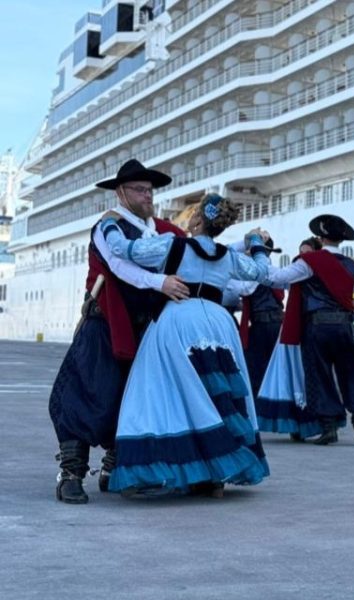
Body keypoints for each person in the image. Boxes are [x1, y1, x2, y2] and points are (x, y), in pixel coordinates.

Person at [100, 193, 274, 497]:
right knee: (217, 394)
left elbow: (124, 250)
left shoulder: (172, 244)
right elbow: (261, 272)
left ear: (195, 219)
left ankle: (181, 465)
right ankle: (216, 473)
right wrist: (257, 244)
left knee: (169, 394)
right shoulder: (229, 256)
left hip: (180, 319)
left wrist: (110, 224)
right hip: (219, 324)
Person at [46, 159, 190, 504]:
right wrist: (162, 282)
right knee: (86, 396)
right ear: (121, 193)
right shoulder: (108, 226)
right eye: (140, 190)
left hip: (147, 330)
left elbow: (195, 257)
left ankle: (115, 469)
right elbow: (120, 267)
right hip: (105, 323)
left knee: (135, 400)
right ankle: (71, 474)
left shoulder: (166, 231)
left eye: (150, 190)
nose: (147, 196)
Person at [265, 214, 354, 445]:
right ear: (342, 240)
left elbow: (277, 278)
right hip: (345, 325)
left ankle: (329, 429)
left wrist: (259, 254)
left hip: (317, 326)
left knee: (320, 375)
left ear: (320, 237)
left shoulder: (309, 262)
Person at [255, 238, 336, 442]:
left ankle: (315, 422)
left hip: (305, 328)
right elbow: (275, 280)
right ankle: (302, 421)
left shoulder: (307, 268)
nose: (302, 257)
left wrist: (259, 255)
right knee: (293, 375)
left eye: (306, 252)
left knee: (306, 375)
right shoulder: (312, 270)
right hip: (294, 327)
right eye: (300, 252)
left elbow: (275, 277)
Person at [226, 237, 285, 397]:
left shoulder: (262, 270)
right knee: (268, 366)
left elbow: (245, 290)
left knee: (256, 367)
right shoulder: (273, 270)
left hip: (265, 325)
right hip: (272, 323)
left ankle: (259, 402)